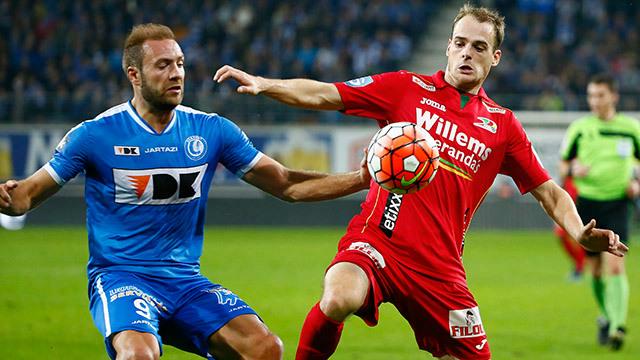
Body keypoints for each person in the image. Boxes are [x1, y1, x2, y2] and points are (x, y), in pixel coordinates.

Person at [214, 5, 628, 359]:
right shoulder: (403, 88)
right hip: (378, 238)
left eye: (479, 47)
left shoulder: (503, 127)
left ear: (495, 57)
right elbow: (325, 94)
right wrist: (267, 84)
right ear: (448, 45)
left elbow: (549, 191)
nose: (467, 53)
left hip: (440, 267)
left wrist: (578, 232)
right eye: (460, 42)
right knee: (339, 296)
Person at [0, 23, 371, 360]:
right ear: (134, 74)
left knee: (265, 349)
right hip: (121, 277)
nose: (176, 73)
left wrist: (361, 178)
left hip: (184, 281)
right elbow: (25, 197)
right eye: (162, 65)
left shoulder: (211, 131)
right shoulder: (95, 135)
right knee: (138, 356)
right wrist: (10, 198)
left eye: (179, 63)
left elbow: (287, 184)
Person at [559, 74, 640, 350]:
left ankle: (617, 326)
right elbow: (563, 167)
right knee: (594, 271)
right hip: (588, 206)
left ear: (613, 96)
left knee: (616, 264)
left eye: (600, 95)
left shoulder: (631, 128)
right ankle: (606, 316)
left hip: (617, 203)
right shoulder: (580, 128)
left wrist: (636, 183)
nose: (595, 101)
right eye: (591, 95)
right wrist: (573, 170)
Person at [553, 176, 586, 281]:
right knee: (561, 235)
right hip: (568, 207)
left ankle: (580, 267)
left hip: (581, 207)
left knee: (577, 238)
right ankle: (579, 264)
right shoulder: (568, 178)